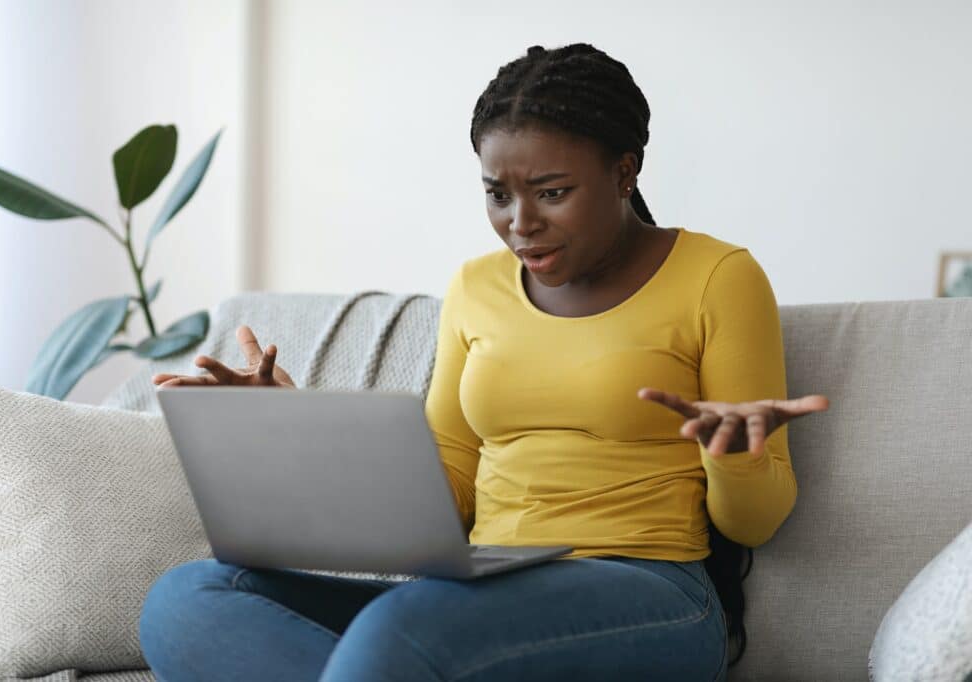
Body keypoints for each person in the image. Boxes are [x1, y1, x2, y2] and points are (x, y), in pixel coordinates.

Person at [138, 42, 830, 681]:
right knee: (188, 598)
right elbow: (450, 487)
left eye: (552, 193)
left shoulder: (718, 276)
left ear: (624, 172)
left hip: (652, 591)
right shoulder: (476, 287)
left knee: (404, 630)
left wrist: (733, 449)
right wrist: (300, 435)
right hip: (478, 590)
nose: (520, 223)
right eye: (498, 194)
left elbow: (756, 521)